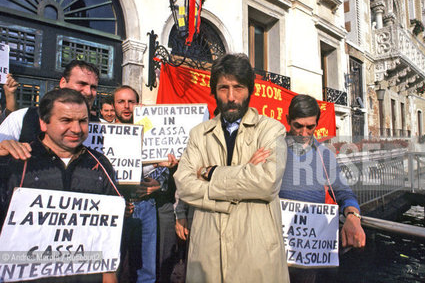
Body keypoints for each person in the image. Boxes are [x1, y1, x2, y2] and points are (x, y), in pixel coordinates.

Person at [173, 53, 289, 282]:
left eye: (239, 87)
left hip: (256, 253)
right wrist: (245, 175)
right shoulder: (199, 134)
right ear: (214, 91)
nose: (231, 97)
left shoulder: (271, 130)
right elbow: (184, 185)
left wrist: (210, 173)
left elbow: (267, 183)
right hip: (208, 254)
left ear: (250, 90)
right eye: (223, 88)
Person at [0, 88, 119, 283]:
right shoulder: (17, 161)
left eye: (82, 121)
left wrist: (109, 275)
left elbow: (109, 232)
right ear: (43, 123)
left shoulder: (100, 163)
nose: (76, 129)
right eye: (66, 121)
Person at [279, 94, 366, 283]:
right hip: (275, 248)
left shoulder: (325, 155)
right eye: (298, 126)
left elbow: (344, 192)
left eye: (310, 127)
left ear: (316, 124)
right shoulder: (274, 149)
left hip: (310, 252)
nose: (303, 133)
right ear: (288, 121)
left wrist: (353, 215)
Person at [113, 85, 178, 283]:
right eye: (121, 102)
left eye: (131, 102)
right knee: (112, 268)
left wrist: (165, 173)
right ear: (112, 105)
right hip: (116, 206)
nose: (126, 106)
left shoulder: (151, 132)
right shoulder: (104, 135)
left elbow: (163, 170)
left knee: (146, 271)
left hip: (146, 205)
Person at [0, 60, 100, 142]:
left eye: (93, 87)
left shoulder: (103, 127)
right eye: (81, 84)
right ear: (63, 83)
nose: (88, 92)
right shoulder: (21, 118)